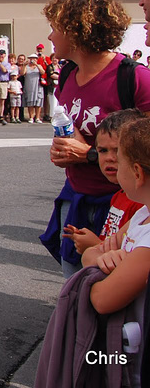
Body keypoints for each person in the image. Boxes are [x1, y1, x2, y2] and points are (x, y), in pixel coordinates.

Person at [40, 0, 150, 278]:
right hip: (76, 196)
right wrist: (63, 151)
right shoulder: (67, 74)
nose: (50, 36)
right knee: (73, 279)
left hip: (122, 204)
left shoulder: (134, 77)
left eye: (55, 28)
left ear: (77, 31)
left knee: (110, 282)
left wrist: (88, 155)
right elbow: (71, 130)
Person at [77, 117, 150, 317]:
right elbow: (90, 254)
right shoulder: (143, 214)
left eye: (121, 159)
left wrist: (108, 266)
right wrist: (104, 259)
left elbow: (102, 300)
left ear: (137, 173)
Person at [63, 109, 144, 258]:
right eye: (102, 150)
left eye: (117, 151)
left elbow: (128, 256)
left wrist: (94, 246)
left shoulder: (141, 205)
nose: (110, 158)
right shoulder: (118, 197)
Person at [22, 54, 45, 123]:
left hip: (37, 85)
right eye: (31, 59)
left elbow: (43, 72)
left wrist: (37, 65)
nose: (32, 60)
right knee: (30, 101)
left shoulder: (39, 66)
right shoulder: (26, 67)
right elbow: (23, 73)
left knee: (38, 101)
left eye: (34, 59)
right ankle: (31, 117)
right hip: (29, 86)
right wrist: (24, 65)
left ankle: (37, 117)